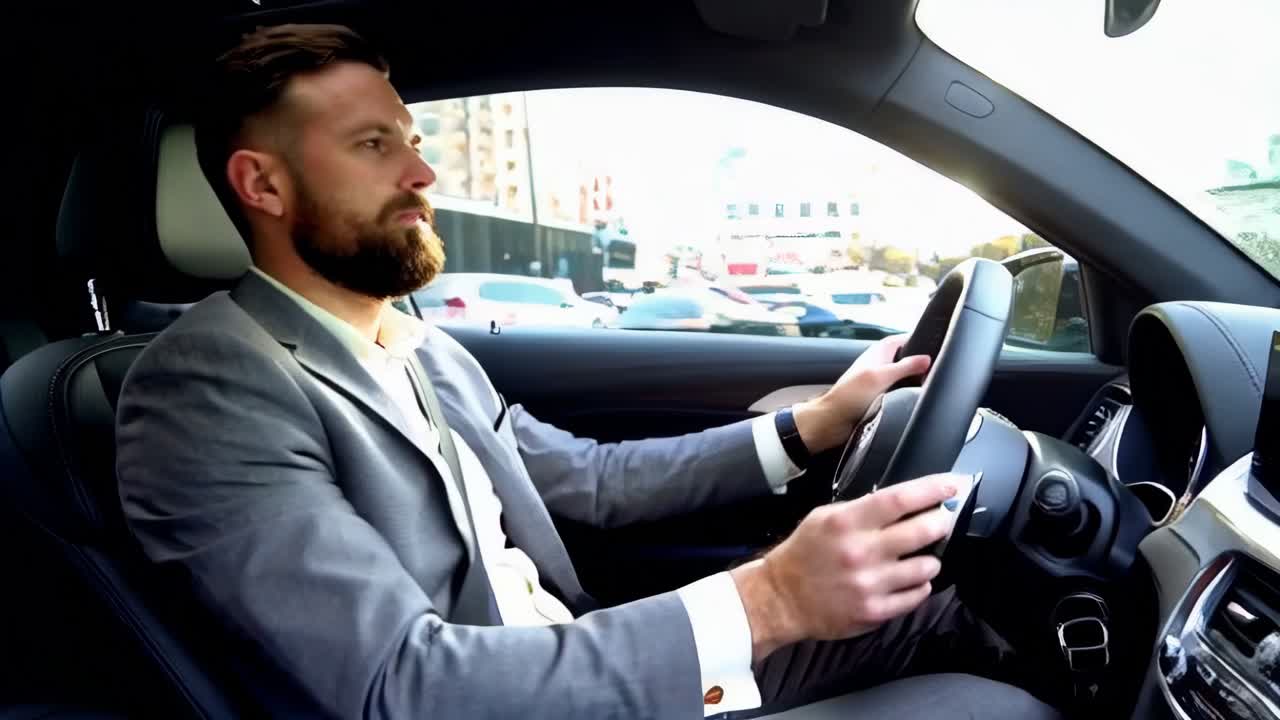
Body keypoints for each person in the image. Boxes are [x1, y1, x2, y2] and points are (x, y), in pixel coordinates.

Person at [114, 23, 1061, 720]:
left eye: (410, 136)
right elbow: (394, 688)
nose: (422, 173)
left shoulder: (417, 345)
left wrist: (814, 426)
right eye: (373, 145)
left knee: (954, 608)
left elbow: (588, 483)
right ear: (263, 186)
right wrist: (768, 600)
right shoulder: (205, 390)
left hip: (575, 664)